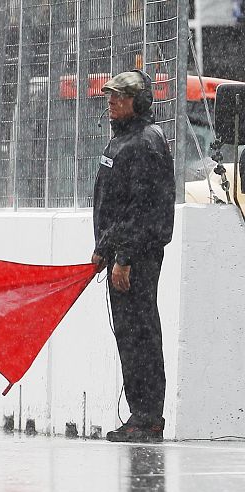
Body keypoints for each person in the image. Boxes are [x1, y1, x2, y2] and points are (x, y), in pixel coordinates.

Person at [91, 70, 175, 443]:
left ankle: (148, 416)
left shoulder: (145, 142)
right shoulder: (123, 140)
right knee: (129, 334)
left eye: (118, 98)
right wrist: (102, 250)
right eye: (110, 97)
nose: (110, 103)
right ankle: (139, 414)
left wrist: (123, 256)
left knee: (141, 333)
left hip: (137, 258)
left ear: (137, 103)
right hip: (122, 255)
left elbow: (143, 209)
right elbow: (115, 204)